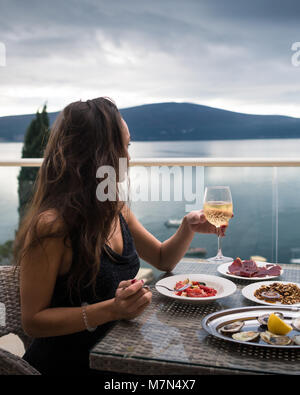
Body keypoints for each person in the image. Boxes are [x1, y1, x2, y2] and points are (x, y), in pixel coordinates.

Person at [14, 97, 228, 375]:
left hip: (121, 352)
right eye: (121, 146)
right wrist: (113, 309)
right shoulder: (53, 227)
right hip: (68, 364)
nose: (129, 157)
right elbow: (33, 321)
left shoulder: (115, 209)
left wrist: (187, 226)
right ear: (94, 154)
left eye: (129, 145)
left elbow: (162, 258)